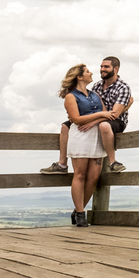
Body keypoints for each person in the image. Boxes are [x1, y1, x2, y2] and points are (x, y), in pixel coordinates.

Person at [41, 56, 132, 174]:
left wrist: (92, 122)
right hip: (97, 116)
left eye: (106, 67)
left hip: (115, 120)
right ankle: (62, 164)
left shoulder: (123, 87)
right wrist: (76, 116)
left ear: (116, 69)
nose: (102, 69)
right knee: (65, 126)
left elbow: (114, 114)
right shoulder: (97, 86)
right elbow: (90, 106)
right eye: (101, 66)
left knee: (104, 125)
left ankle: (113, 162)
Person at [57, 63, 117, 227]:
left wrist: (96, 120)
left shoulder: (95, 94)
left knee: (93, 178)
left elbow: (107, 115)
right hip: (81, 136)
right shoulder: (71, 96)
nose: (92, 73)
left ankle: (78, 210)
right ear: (79, 76)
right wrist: (100, 114)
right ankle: (81, 214)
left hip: (96, 136)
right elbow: (76, 119)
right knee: (80, 175)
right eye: (88, 71)